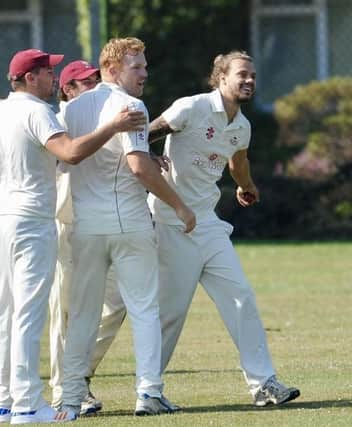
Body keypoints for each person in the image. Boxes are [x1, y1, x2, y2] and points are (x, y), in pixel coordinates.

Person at [0, 48, 144, 424]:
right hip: (31, 220)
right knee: (27, 314)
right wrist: (112, 128)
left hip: (1, 219)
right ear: (27, 77)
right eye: (45, 72)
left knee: (6, 313)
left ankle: (4, 403)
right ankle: (27, 405)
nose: (52, 78)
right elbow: (69, 153)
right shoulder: (37, 111)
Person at [148, 50, 300, 407]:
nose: (249, 81)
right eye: (242, 75)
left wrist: (247, 186)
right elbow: (144, 132)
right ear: (221, 78)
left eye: (253, 76)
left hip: (209, 224)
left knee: (241, 297)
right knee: (170, 314)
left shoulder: (241, 125)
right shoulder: (191, 107)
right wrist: (147, 155)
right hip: (171, 223)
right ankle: (150, 391)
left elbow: (238, 161)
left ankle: (264, 385)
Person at [59, 37, 195, 419]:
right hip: (128, 223)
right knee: (143, 309)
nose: (145, 74)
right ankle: (149, 393)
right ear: (112, 69)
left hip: (85, 226)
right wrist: (180, 206)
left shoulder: (72, 108)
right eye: (137, 67)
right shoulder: (131, 106)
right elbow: (138, 167)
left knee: (84, 313)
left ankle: (70, 398)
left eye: (146, 67)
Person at [49, 59, 127, 415]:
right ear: (69, 90)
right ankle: (63, 390)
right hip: (64, 223)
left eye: (98, 80)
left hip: (100, 223)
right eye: (86, 82)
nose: (95, 86)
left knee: (116, 305)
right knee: (65, 314)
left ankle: (77, 378)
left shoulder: (103, 118)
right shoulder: (61, 118)